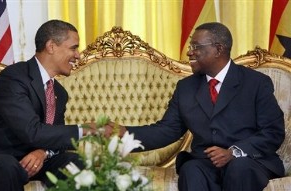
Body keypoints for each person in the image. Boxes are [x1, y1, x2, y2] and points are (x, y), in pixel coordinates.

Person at [110, 22, 285, 191]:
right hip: (206, 162)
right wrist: (123, 133)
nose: (189, 52)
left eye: (196, 47)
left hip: (249, 161)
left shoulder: (256, 83)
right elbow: (167, 130)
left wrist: (233, 152)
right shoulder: (186, 88)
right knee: (191, 169)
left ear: (218, 49)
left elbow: (273, 131)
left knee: (239, 169)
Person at [0, 20, 96, 191]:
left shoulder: (59, 92)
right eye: (73, 48)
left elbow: (58, 139)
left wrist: (42, 153)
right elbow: (31, 131)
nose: (78, 55)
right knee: (6, 166)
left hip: (29, 160)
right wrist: (84, 129)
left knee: (74, 162)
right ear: (51, 46)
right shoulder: (14, 78)